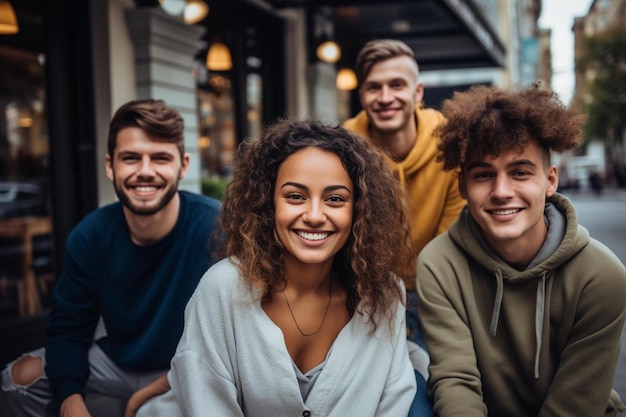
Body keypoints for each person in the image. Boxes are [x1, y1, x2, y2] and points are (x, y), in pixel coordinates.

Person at [134, 118, 417, 417]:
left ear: (358, 209)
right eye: (295, 196)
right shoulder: (223, 290)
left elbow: (393, 401)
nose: (314, 215)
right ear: (269, 203)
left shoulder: (383, 296)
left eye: (335, 199)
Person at [0, 99, 221, 416]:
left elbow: (237, 338)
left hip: (191, 368)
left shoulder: (216, 228)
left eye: (160, 158)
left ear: (183, 165)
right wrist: (69, 398)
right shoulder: (90, 235)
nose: (145, 171)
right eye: (131, 158)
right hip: (118, 363)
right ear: (110, 165)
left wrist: (152, 393)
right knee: (18, 378)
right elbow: (68, 329)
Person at [416, 84, 626, 416]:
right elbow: (455, 382)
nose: (501, 192)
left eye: (520, 173)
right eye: (484, 175)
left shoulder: (601, 275)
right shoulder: (439, 264)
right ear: (462, 186)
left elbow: (574, 406)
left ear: (550, 180)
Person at [343, 38, 465, 415]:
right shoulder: (343, 144)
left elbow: (452, 242)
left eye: (396, 85)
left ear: (418, 92)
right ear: (361, 93)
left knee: (438, 395)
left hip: (433, 292)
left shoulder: (452, 144)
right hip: (361, 291)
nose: (385, 96)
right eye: (373, 86)